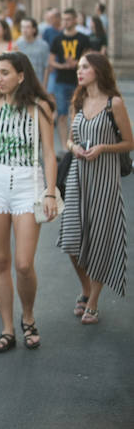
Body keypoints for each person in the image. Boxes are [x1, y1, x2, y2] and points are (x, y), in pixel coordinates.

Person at [0, 52, 58, 353]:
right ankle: (7, 328)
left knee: (23, 263)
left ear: (22, 76)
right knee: (0, 260)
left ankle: (29, 317)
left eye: (5, 72)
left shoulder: (40, 107)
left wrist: (50, 191)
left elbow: (49, 153)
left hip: (28, 183)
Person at [58, 53, 132, 324]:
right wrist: (73, 147)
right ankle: (86, 287)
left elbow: (129, 143)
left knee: (100, 239)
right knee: (70, 239)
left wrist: (104, 148)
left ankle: (93, 301)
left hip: (104, 180)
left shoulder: (115, 104)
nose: (79, 72)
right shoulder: (78, 101)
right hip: (78, 177)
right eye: (78, 68)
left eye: (85, 67)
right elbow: (68, 140)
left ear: (98, 70)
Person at [49, 8, 91, 152]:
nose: (65, 22)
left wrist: (77, 63)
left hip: (79, 81)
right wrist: (63, 65)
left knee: (79, 114)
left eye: (68, 19)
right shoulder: (58, 39)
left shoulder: (83, 39)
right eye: (64, 19)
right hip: (61, 81)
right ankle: (64, 146)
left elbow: (90, 59)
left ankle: (77, 143)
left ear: (74, 20)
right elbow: (51, 61)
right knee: (61, 114)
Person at [14, 18, 50, 87]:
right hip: (22, 84)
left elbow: (46, 67)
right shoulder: (17, 44)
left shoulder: (43, 45)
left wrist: (44, 86)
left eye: (27, 27)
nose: (24, 30)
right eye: (23, 27)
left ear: (34, 29)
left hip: (38, 83)